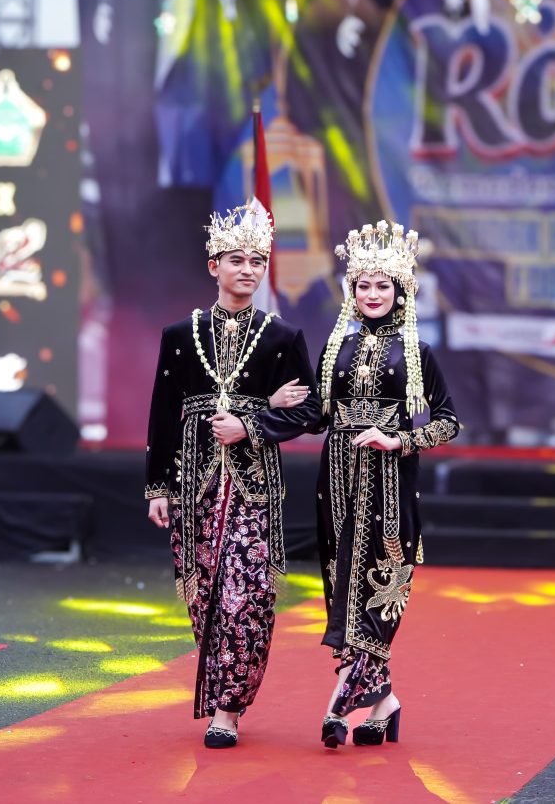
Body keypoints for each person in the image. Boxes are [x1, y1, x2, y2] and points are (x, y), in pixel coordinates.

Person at [144, 199, 320, 749]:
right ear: (213, 265)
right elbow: (162, 413)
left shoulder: (282, 337)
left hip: (253, 484)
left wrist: (253, 422)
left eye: (256, 261)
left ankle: (228, 707)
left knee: (247, 594)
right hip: (193, 481)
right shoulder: (180, 334)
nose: (247, 270)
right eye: (236, 260)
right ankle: (221, 684)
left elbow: (312, 412)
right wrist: (157, 487)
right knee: (203, 595)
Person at [281, 220, 460, 748]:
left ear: (400, 291)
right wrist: (269, 412)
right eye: (364, 285)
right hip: (336, 481)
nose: (373, 294)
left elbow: (448, 422)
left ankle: (339, 704)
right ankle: (384, 705)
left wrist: (398, 439)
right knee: (342, 586)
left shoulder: (418, 351)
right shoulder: (336, 346)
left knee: (381, 587)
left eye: (383, 285)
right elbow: (317, 416)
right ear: (352, 290)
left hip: (390, 481)